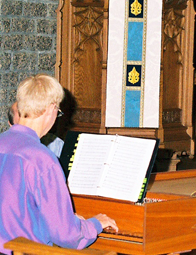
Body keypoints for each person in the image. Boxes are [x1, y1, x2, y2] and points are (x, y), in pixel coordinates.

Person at [0, 74, 118, 254]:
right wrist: (94, 223)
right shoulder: (42, 159)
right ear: (51, 109)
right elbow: (67, 236)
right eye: (58, 112)